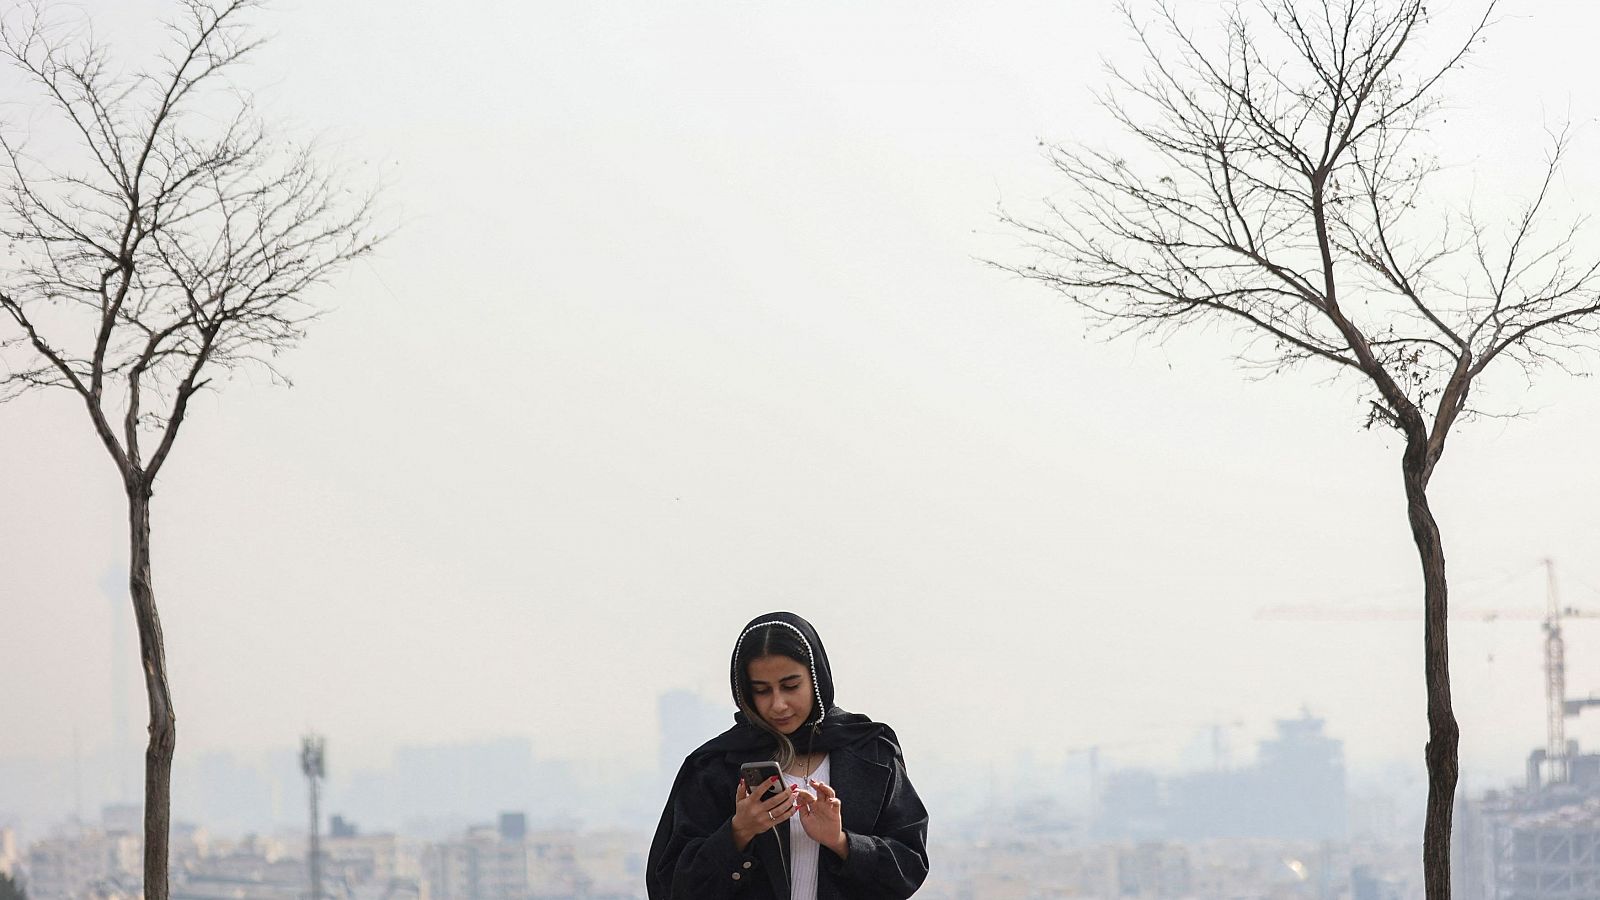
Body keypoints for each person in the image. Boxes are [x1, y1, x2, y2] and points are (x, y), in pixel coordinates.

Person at [647, 611, 929, 900]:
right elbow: (670, 886)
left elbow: (909, 868)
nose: (778, 704)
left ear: (816, 679)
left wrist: (841, 842)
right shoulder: (714, 766)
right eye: (762, 690)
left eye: (791, 686)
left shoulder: (870, 753)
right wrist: (737, 833)